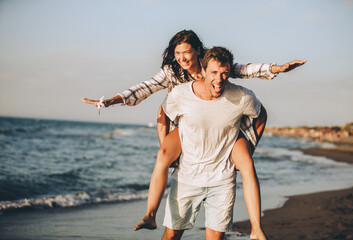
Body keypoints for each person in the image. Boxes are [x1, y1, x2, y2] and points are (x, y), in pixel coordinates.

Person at [81, 30, 305, 238]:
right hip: (189, 128)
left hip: (224, 126)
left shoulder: (213, 65)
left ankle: (257, 229)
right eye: (177, 53)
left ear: (199, 51)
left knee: (246, 162)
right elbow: (145, 89)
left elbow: (245, 70)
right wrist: (112, 101)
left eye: (186, 52)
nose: (182, 58)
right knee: (163, 155)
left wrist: (277, 69)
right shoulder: (173, 73)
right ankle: (150, 214)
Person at [159, 46, 267, 240]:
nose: (219, 79)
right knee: (171, 235)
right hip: (186, 178)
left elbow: (261, 114)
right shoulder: (181, 94)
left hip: (222, 181)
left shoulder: (242, 97)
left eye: (224, 73)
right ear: (203, 70)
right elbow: (163, 114)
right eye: (214, 72)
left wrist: (251, 145)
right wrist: (166, 150)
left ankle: (257, 229)